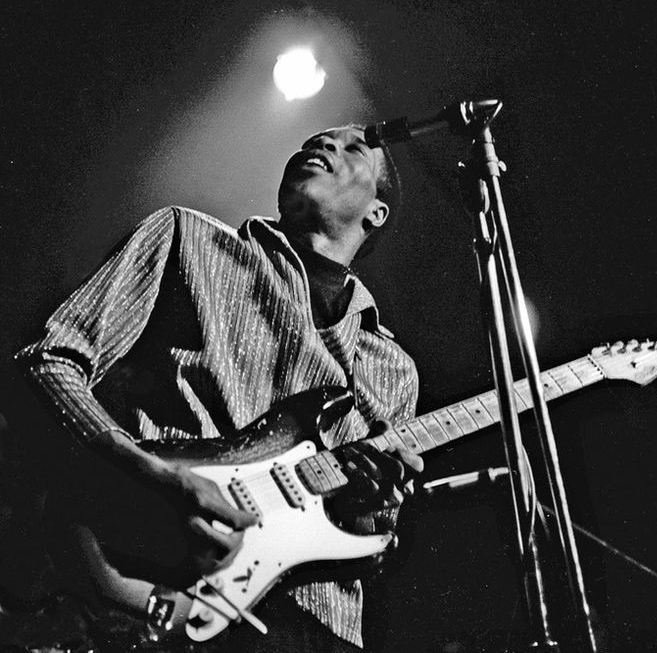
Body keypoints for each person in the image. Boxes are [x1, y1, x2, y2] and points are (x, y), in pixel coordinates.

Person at [15, 124, 424, 652]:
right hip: (162, 588)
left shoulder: (392, 368)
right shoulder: (186, 239)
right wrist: (146, 476)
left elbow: (373, 538)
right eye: (315, 141)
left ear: (377, 212)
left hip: (319, 630)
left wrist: (375, 504)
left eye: (354, 147)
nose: (321, 145)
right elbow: (49, 360)